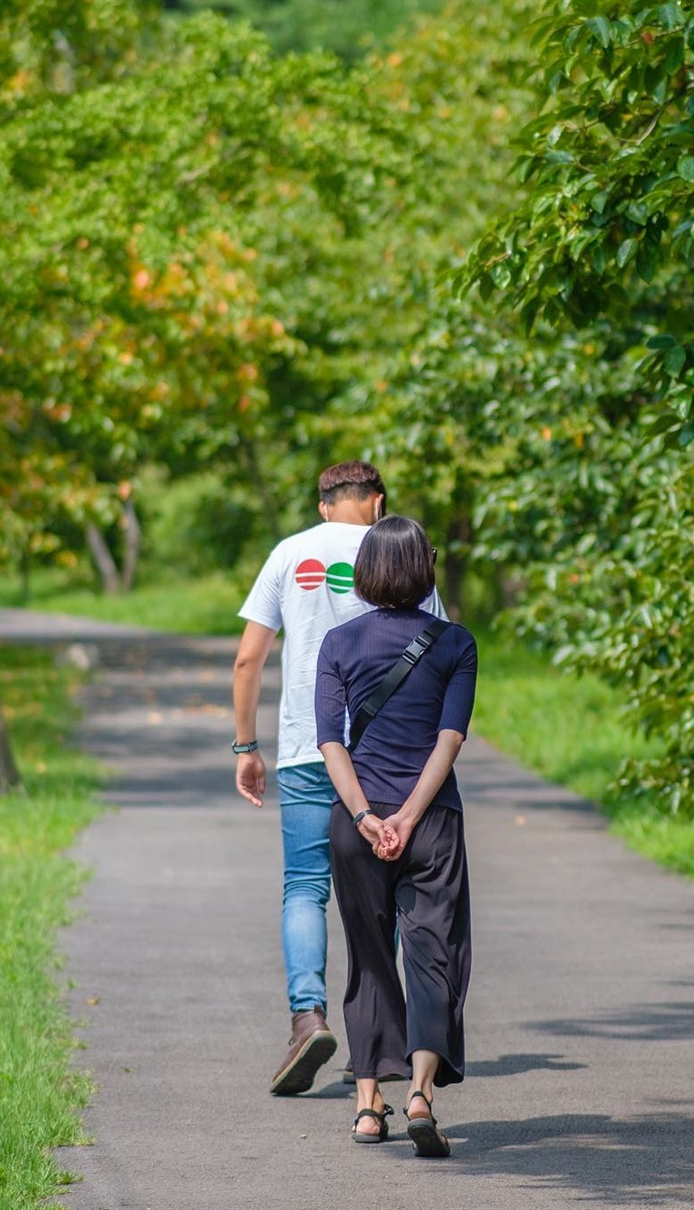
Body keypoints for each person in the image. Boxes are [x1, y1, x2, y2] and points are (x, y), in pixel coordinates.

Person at [232, 461, 445, 1096]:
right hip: (383, 758)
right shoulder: (403, 553)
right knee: (391, 894)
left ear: (325, 505)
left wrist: (247, 745)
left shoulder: (290, 553)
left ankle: (308, 1017)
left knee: (305, 887)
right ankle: (395, 1042)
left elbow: (248, 658)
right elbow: (437, 649)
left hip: (305, 748)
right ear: (376, 503)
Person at [316, 516, 476, 1157]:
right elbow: (450, 739)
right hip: (432, 821)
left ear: (366, 572)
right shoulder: (455, 643)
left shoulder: (338, 642)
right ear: (424, 568)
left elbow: (330, 740)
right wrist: (410, 815)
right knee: (433, 952)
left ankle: (364, 1107)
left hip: (359, 824)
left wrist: (365, 816)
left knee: (369, 957)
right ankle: (419, 1093)